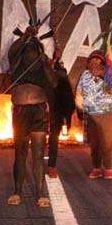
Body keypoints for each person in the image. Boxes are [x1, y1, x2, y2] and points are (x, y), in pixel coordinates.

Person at [6, 26, 57, 207]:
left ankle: (41, 194)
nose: (30, 53)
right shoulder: (16, 61)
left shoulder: (42, 64)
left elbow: (54, 82)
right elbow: (12, 51)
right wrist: (26, 36)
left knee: (37, 153)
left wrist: (45, 63)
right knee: (20, 153)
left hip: (39, 109)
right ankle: (17, 191)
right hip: (21, 109)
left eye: (34, 50)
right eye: (27, 49)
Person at [76, 50, 112, 181]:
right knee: (94, 143)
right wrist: (79, 106)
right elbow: (79, 92)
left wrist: (110, 89)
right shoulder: (84, 75)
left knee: (107, 142)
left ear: (103, 63)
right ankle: (96, 168)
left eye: (98, 61)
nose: (95, 64)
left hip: (107, 113)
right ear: (88, 63)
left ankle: (107, 168)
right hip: (91, 114)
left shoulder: (109, 74)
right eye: (92, 61)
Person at [47, 50, 75, 178]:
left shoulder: (61, 74)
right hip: (40, 109)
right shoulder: (37, 72)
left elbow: (67, 96)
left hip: (56, 111)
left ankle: (51, 166)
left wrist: (66, 116)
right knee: (39, 138)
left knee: (53, 138)